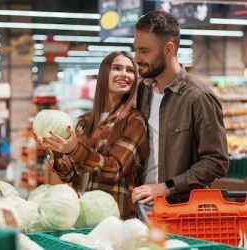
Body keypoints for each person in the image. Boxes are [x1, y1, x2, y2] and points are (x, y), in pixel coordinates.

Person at [132, 11, 229, 206]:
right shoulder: (144, 89)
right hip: (143, 207)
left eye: (144, 51)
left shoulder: (199, 97)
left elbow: (216, 162)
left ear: (168, 49)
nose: (137, 58)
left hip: (181, 212)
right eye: (136, 49)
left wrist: (167, 187)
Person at [39, 51, 149, 219]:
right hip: (83, 216)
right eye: (117, 68)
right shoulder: (85, 122)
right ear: (104, 74)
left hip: (116, 219)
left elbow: (115, 169)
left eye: (130, 70)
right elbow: (68, 175)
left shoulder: (134, 120)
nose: (124, 74)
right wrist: (56, 148)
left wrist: (75, 150)